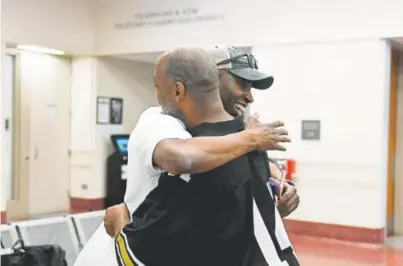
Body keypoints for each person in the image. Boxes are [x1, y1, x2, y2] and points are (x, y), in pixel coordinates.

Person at [73, 48, 292, 266]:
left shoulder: (231, 147)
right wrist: (250, 141)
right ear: (215, 79)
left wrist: (120, 220)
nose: (250, 95)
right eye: (242, 83)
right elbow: (181, 158)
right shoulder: (164, 122)